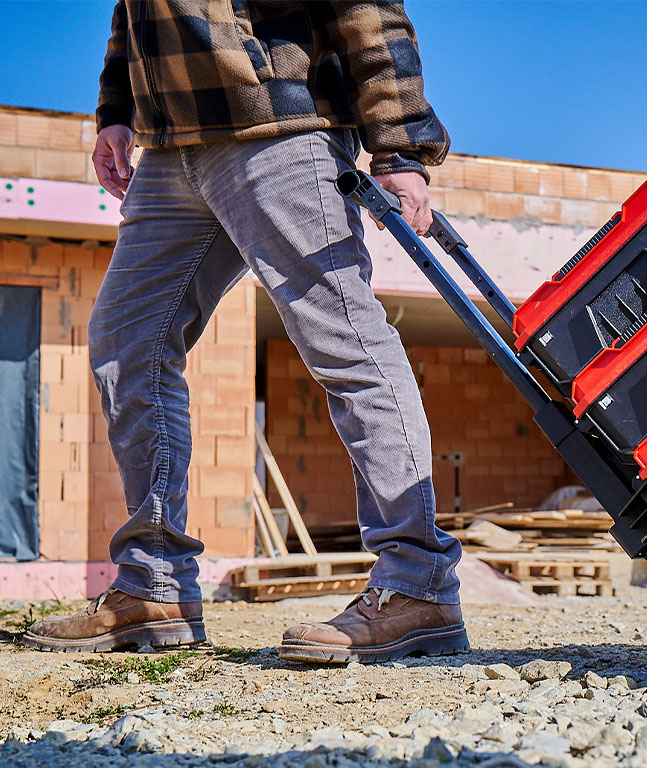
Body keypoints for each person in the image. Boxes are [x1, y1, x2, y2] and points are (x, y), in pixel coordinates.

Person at [24, 0, 467, 663]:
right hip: (169, 147)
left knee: (345, 345)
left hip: (278, 125)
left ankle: (418, 583)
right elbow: (132, 15)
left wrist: (399, 143)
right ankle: (154, 585)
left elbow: (366, 7)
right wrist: (116, 110)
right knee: (127, 345)